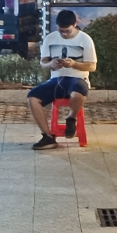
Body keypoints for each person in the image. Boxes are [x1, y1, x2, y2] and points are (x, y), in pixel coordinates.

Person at [27, 10, 97, 150]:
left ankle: (71, 118)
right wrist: (51, 64)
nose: (64, 34)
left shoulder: (85, 39)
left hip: (78, 78)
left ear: (75, 24)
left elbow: (92, 66)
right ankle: (47, 136)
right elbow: (43, 63)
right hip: (57, 79)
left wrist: (74, 64)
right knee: (32, 97)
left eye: (67, 31)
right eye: (61, 30)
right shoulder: (50, 38)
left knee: (77, 93)